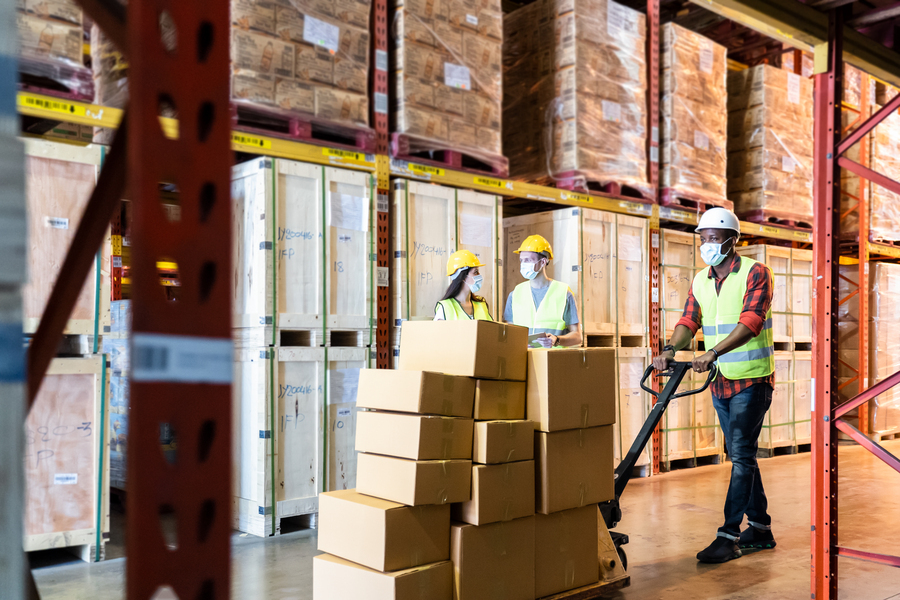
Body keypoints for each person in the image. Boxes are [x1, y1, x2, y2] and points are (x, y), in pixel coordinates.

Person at [651, 207, 776, 564]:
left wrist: (712, 351)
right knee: (743, 455)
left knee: (741, 455)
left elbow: (751, 321)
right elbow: (689, 319)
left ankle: (728, 535)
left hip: (752, 378)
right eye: (702, 238)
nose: (707, 245)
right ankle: (762, 530)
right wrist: (671, 349)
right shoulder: (701, 279)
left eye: (713, 238)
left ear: (732, 240)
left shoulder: (756, 272)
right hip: (720, 380)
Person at [503, 234, 581, 347]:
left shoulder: (564, 293)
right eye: (521, 260)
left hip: (553, 360)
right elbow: (508, 334)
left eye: (528, 260)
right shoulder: (515, 294)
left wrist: (556, 340)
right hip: (523, 360)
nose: (523, 264)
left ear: (543, 262)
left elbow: (577, 336)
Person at [434, 249, 493, 321]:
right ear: (463, 276)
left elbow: (491, 330)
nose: (479, 275)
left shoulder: (481, 305)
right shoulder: (445, 307)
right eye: (476, 272)